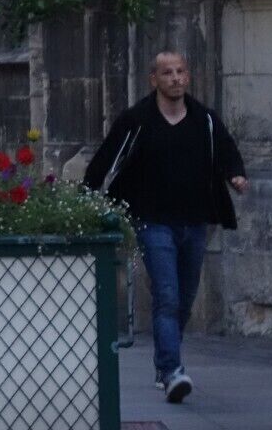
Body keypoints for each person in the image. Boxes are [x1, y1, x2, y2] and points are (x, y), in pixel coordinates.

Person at [84, 51, 248, 404]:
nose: (175, 78)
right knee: (168, 294)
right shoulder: (138, 120)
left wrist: (236, 174)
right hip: (152, 221)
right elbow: (106, 157)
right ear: (154, 79)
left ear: (188, 77)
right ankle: (173, 370)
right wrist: (87, 195)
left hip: (195, 221)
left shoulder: (204, 119)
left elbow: (226, 150)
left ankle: (164, 364)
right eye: (167, 73)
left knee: (184, 299)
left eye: (180, 72)